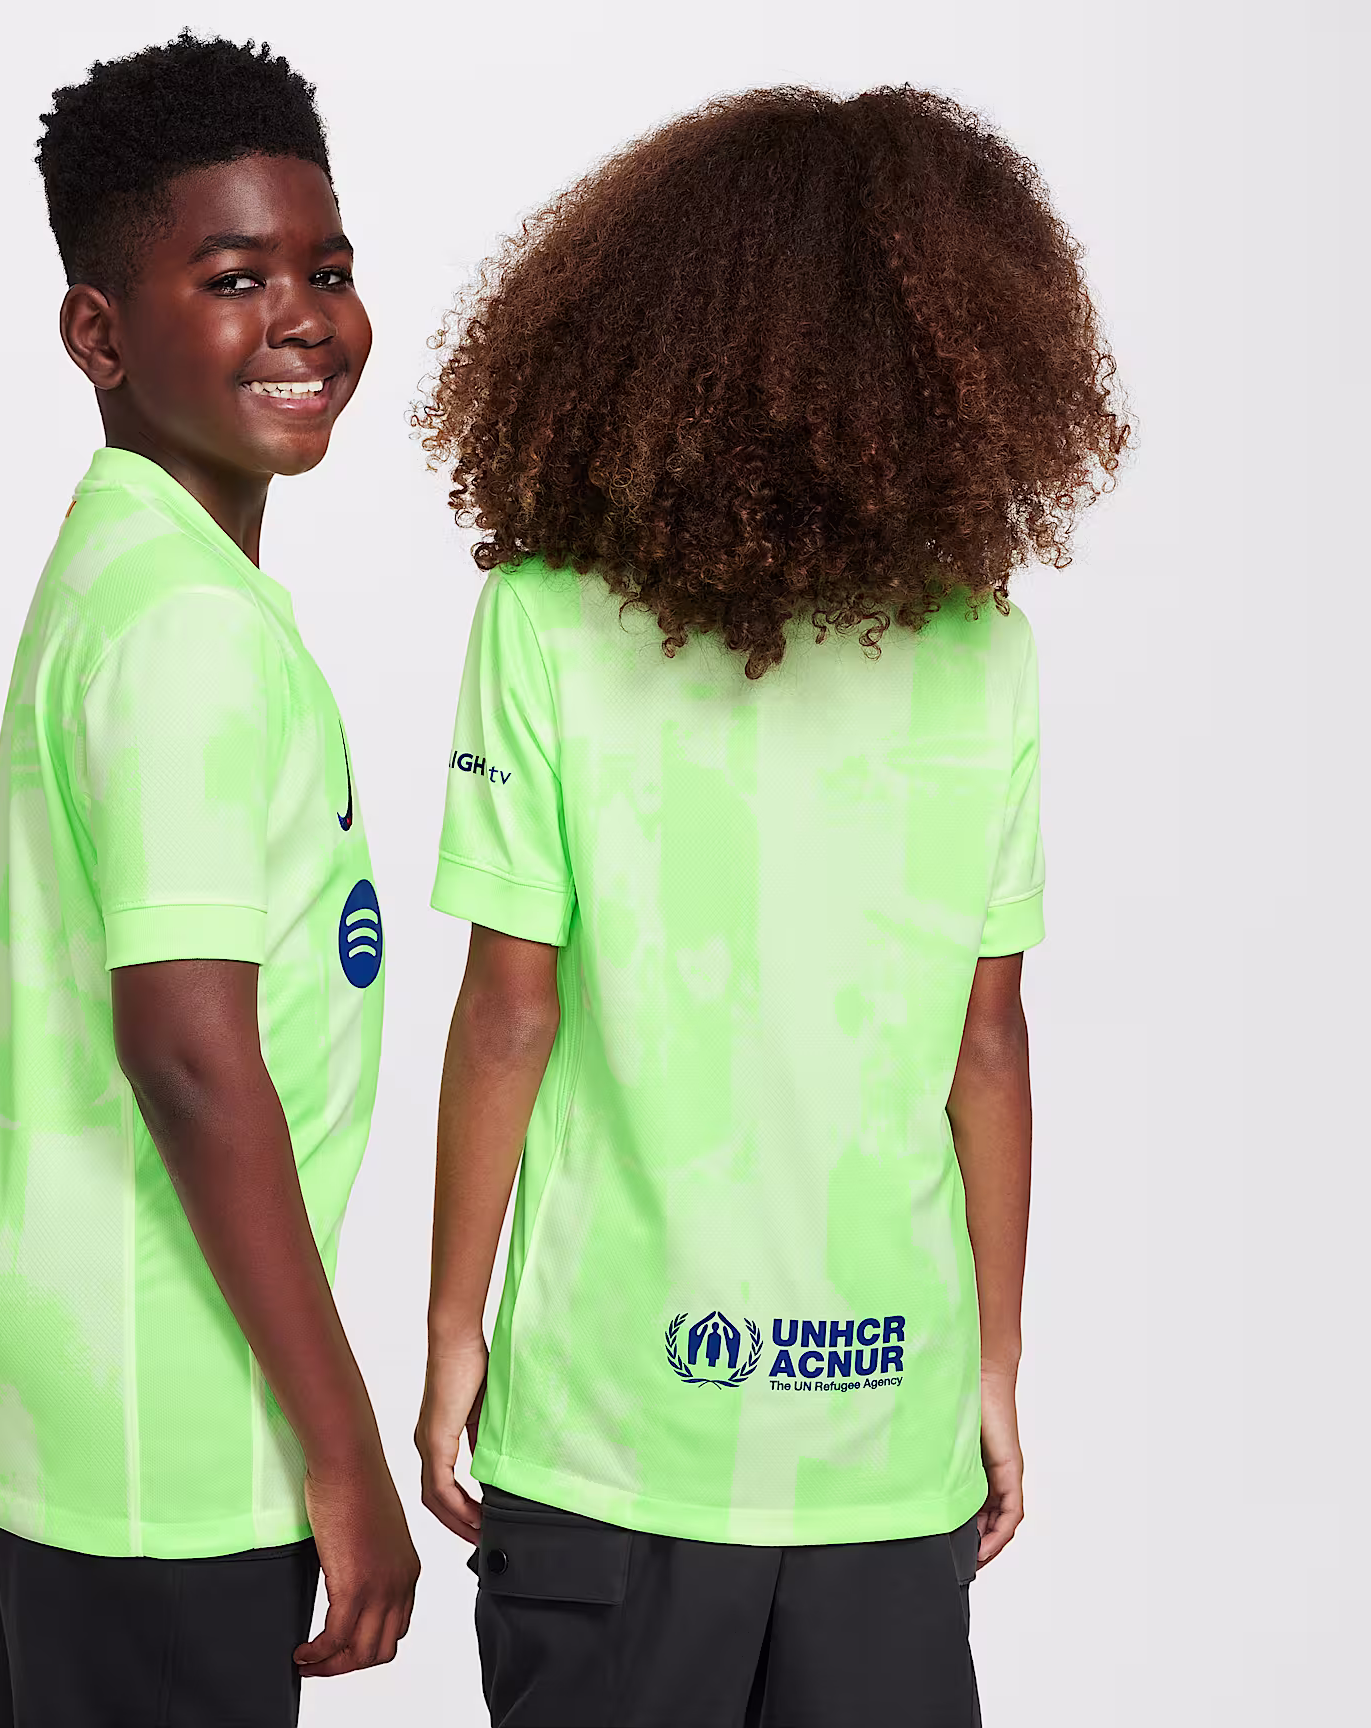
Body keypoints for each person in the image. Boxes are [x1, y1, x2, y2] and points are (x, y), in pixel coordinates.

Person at [414, 86, 1128, 1727]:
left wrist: (455, 1330)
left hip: (607, 1428)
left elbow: (511, 1009)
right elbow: (989, 1043)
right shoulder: (983, 653)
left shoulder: (542, 622)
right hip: (881, 1426)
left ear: (638, 333)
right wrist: (993, 1364)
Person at [0, 34, 417, 1726]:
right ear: (100, 333)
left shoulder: (121, 553)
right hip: (168, 1433)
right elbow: (192, 1058)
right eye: (233, 279)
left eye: (327, 270)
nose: (303, 319)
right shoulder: (188, 629)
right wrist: (342, 1452)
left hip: (54, 1396)